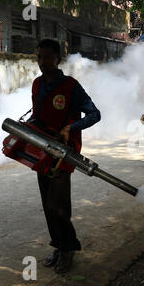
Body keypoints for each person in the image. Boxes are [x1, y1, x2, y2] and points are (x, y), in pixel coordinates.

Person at [29, 39, 101, 273]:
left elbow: (94, 114)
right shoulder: (37, 85)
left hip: (64, 153)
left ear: (58, 59)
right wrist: (28, 127)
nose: (42, 62)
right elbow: (37, 116)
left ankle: (69, 248)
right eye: (39, 57)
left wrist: (71, 128)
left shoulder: (71, 86)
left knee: (58, 205)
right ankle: (59, 246)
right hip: (42, 150)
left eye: (47, 57)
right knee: (47, 205)